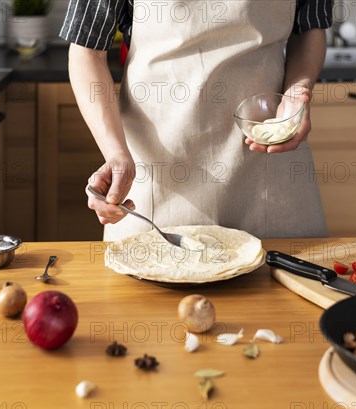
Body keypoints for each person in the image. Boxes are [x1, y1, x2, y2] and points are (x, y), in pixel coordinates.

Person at [60, 0, 333, 241]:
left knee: (282, 294)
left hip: (267, 160)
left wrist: (298, 88)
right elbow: (87, 51)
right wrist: (116, 153)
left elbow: (309, 29)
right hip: (157, 166)